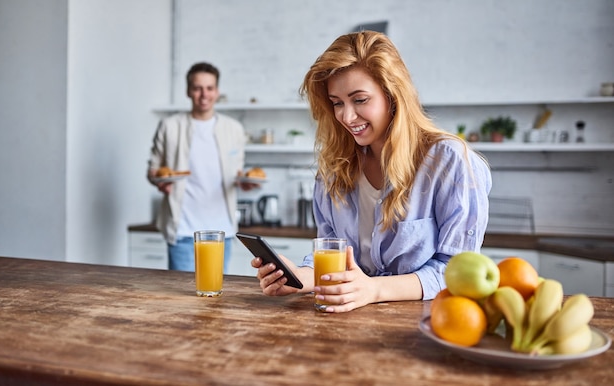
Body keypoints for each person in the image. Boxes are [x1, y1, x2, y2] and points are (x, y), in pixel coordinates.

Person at [251, 31, 492, 313]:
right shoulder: (333, 169)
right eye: (337, 103)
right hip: (348, 325)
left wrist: (374, 289)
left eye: (360, 100)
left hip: (421, 328)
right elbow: (333, 255)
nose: (347, 116)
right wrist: (299, 278)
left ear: (392, 95)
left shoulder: (449, 161)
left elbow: (458, 272)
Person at [148, 62, 255, 273]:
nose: (204, 94)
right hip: (183, 230)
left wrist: (245, 183)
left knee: (215, 296)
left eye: (209, 88)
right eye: (197, 88)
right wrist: (160, 182)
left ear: (217, 91)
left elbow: (237, 174)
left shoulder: (234, 129)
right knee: (183, 299)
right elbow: (153, 170)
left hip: (221, 232)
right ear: (188, 91)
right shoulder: (170, 126)